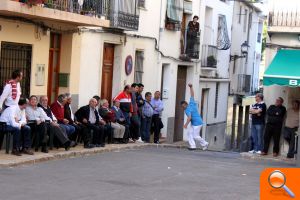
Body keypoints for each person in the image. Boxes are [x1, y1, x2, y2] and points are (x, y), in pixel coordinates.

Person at [181, 84, 209, 150]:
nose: (182, 108)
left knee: (195, 136)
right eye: (182, 107)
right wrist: (191, 87)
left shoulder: (187, 110)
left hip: (197, 123)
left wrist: (185, 125)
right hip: (196, 122)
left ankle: (205, 143)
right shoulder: (191, 103)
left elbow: (189, 118)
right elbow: (192, 95)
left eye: (183, 106)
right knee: (189, 133)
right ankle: (193, 146)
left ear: (185, 104)